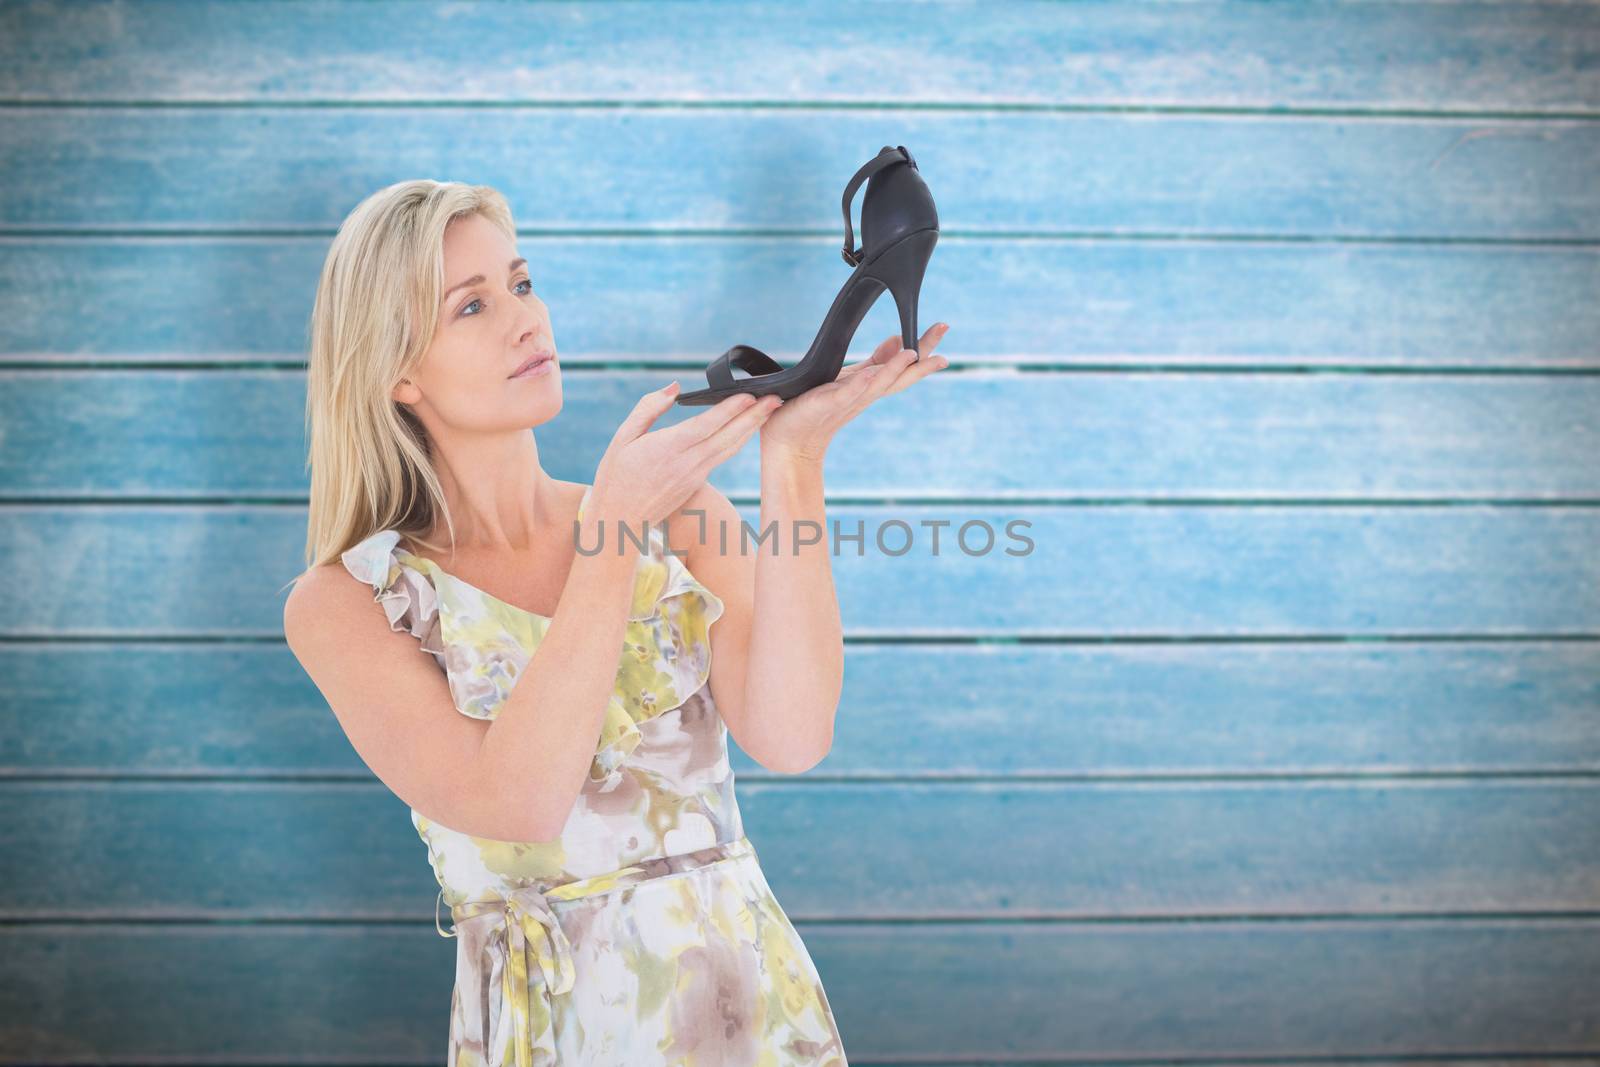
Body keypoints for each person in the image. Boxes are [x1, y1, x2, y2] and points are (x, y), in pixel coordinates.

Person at [282, 179, 949, 1065]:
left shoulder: (679, 514)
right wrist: (609, 537)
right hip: (559, 1033)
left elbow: (792, 735)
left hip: (747, 1013)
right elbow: (515, 805)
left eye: (521, 284)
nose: (526, 320)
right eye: (472, 306)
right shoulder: (346, 602)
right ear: (396, 371)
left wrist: (794, 456)